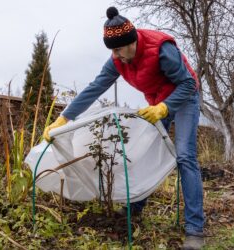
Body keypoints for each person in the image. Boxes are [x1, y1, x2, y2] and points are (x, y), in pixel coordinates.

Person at [43, 6, 205, 249]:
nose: (115, 56)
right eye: (112, 51)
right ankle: (135, 207)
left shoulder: (162, 50)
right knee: (145, 153)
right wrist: (65, 118)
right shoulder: (118, 60)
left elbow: (188, 83)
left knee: (184, 156)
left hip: (184, 98)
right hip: (157, 101)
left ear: (133, 42)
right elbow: (95, 87)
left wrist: (164, 107)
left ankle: (195, 229)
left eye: (118, 49)